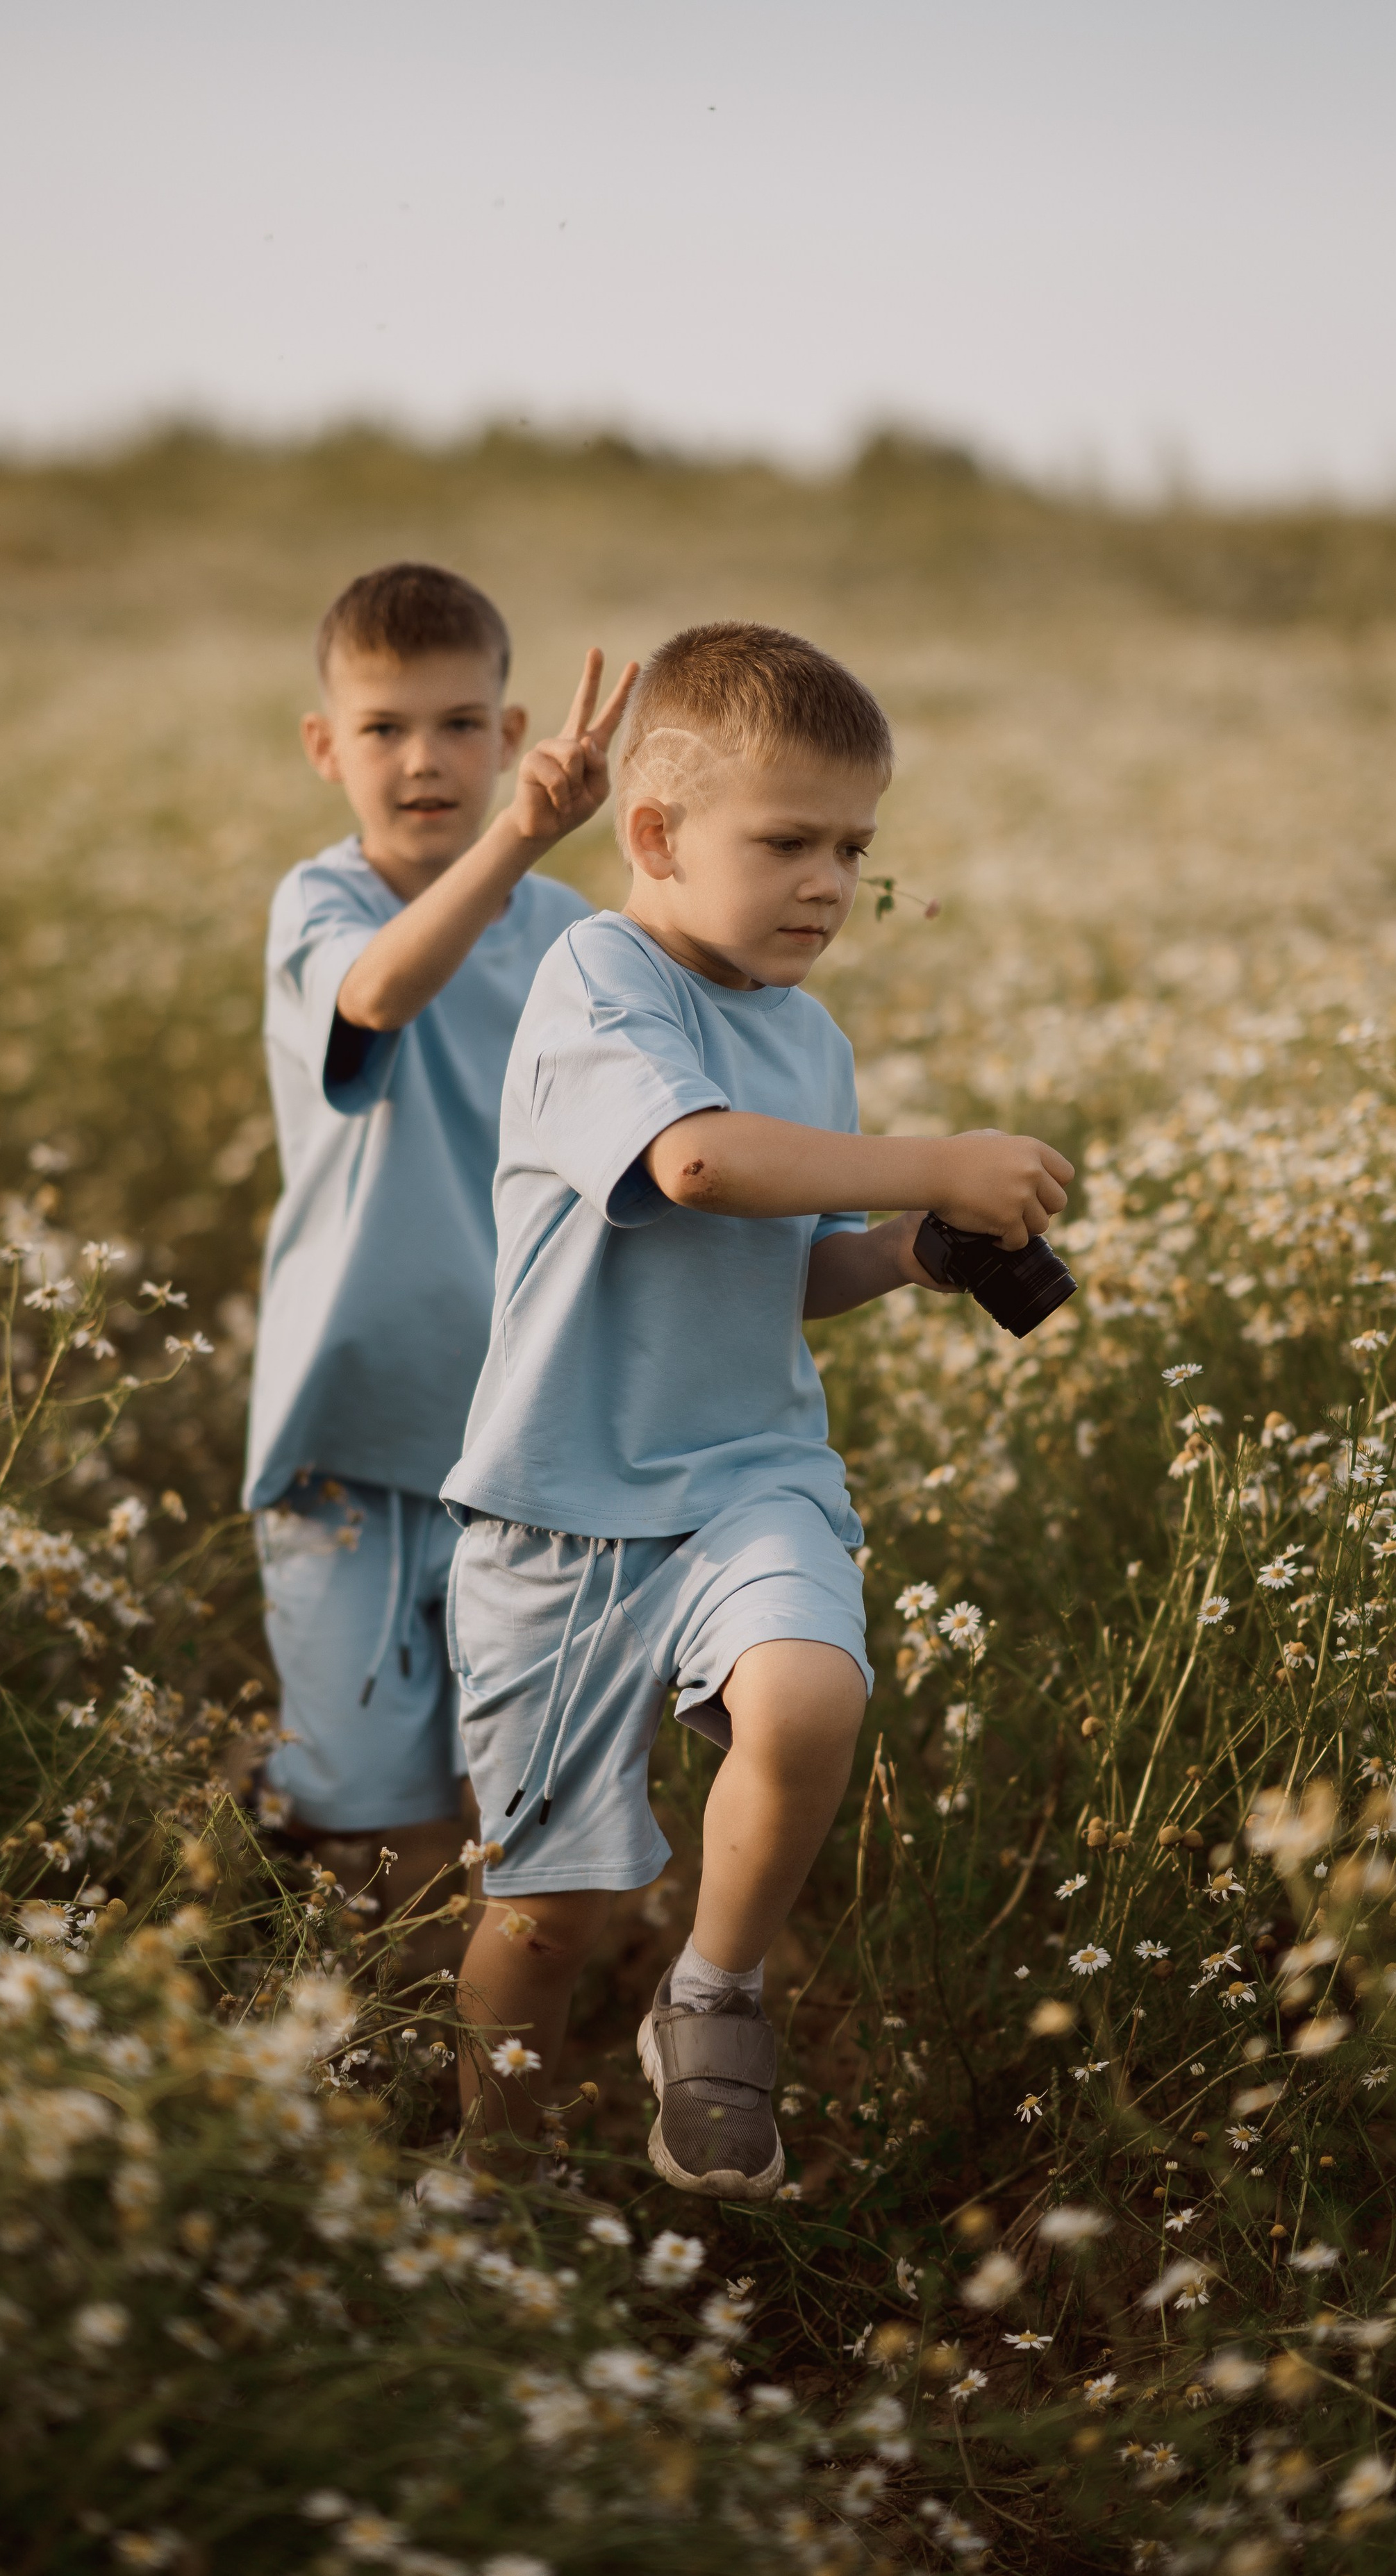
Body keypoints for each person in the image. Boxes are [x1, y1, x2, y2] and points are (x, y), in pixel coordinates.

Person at [442, 620, 1074, 2198]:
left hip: (747, 1477)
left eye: (854, 847)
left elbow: (775, 1265)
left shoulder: (812, 1039)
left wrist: (907, 1252)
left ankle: (714, 1992)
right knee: (547, 1916)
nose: (828, 882)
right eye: (785, 840)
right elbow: (696, 1166)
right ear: (652, 837)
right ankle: (492, 2175)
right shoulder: (597, 974)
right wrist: (934, 1161)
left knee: (804, 1701)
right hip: (561, 1509)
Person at [243, 559, 635, 1927]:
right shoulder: (321, 906)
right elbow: (379, 991)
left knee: (512, 1775)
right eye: (384, 728)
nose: (426, 760)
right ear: (324, 747)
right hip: (347, 1420)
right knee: (370, 1797)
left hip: (519, 1427)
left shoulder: (579, 936)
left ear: (513, 734)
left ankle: (499, 2056)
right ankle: (404, 2038)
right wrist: (515, 842)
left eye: (462, 724)